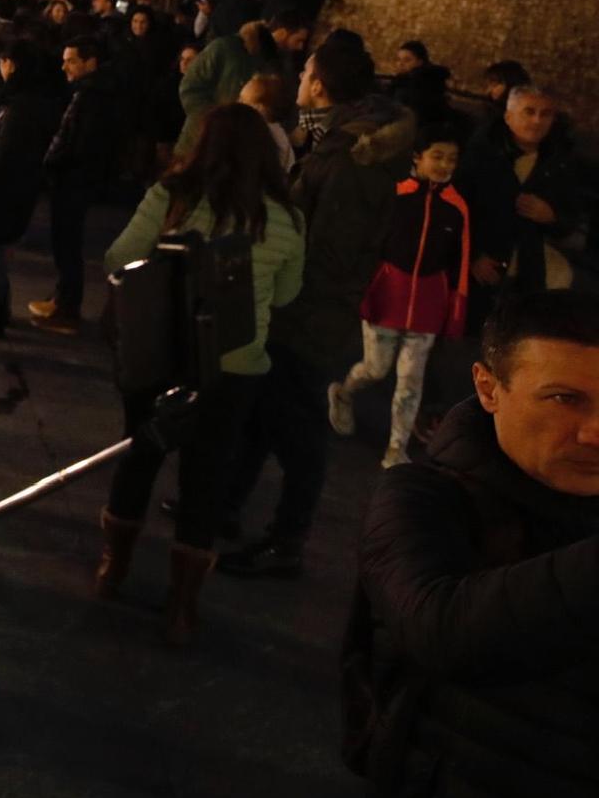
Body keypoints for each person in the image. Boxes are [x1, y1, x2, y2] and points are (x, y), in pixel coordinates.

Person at [347, 290, 598, 798]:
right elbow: (441, 629)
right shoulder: (420, 497)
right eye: (564, 399)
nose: (594, 432)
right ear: (488, 387)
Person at [95, 105, 305, 645]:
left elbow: (119, 256)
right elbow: (286, 295)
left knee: (138, 457)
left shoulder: (173, 195)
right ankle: (182, 607)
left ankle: (112, 569)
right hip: (235, 370)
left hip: (160, 359)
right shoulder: (284, 217)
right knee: (206, 480)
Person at [220, 36, 416, 578]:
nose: (301, 80)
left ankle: (287, 541)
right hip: (306, 305)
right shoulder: (346, 142)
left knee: (300, 429)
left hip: (311, 311)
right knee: (265, 410)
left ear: (320, 85)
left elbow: (329, 248)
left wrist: (281, 278)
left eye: (306, 72)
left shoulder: (353, 159)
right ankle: (227, 506)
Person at [327, 121, 471, 468]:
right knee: (375, 369)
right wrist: (362, 288)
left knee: (410, 380)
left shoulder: (457, 207)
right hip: (387, 294)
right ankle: (343, 393)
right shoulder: (395, 194)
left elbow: (460, 261)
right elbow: (370, 244)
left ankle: (396, 449)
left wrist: (456, 308)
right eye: (437, 156)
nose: (445, 165)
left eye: (452, 159)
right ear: (418, 157)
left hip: (427, 302)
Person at [453, 84, 583, 325]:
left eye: (546, 114)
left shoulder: (559, 163)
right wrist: (473, 256)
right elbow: (456, 209)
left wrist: (551, 217)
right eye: (529, 111)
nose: (537, 121)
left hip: (529, 265)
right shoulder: (480, 156)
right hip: (484, 264)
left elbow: (571, 218)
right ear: (509, 117)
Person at [0, 41, 60, 337]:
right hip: (8, 190)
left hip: (3, 192)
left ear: (13, 66)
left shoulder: (20, 108)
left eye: (4, 62)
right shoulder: (22, 103)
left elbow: (6, 156)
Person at [30, 36, 121, 335]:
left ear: (89, 62)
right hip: (75, 178)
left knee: (67, 241)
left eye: (71, 61)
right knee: (64, 241)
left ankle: (68, 306)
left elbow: (81, 143)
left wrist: (57, 165)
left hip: (74, 179)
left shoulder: (92, 96)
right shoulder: (89, 92)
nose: (64, 66)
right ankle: (61, 298)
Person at [176, 11, 312, 154]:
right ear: (283, 33)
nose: (300, 47)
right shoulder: (227, 48)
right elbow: (190, 87)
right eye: (298, 40)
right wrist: (214, 121)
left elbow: (284, 108)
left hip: (239, 152)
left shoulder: (281, 67)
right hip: (199, 143)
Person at [389, 39, 451, 126]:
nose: (400, 64)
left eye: (407, 60)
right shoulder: (401, 79)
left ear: (419, 62)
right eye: (398, 59)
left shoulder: (424, 82)